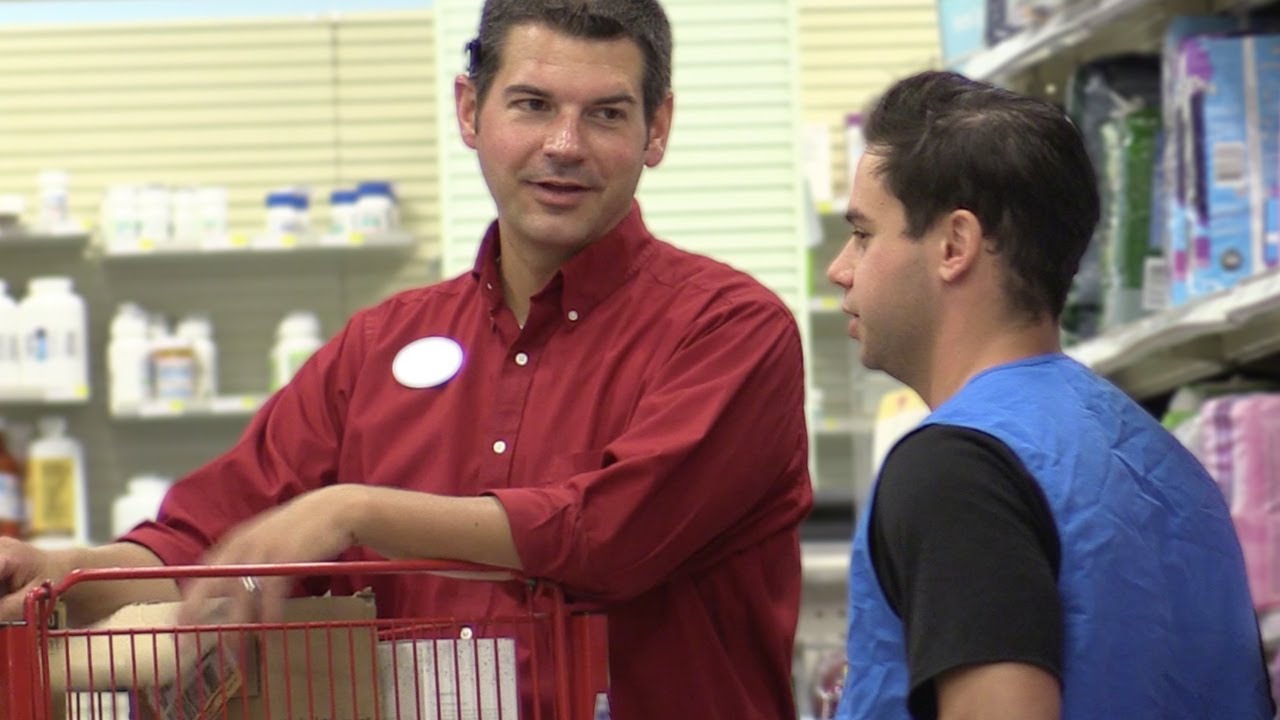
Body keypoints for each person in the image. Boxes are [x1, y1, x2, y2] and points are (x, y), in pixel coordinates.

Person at [0, 2, 813, 718]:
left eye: (605, 114)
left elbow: (608, 536)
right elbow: (210, 546)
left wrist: (355, 509)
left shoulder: (730, 331)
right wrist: (56, 568)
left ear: (657, 128)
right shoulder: (379, 346)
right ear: (471, 110)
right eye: (532, 105)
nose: (564, 145)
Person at [826, 70, 1273, 719]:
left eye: (865, 234)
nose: (842, 268)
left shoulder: (955, 470)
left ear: (954, 245)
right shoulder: (1170, 467)